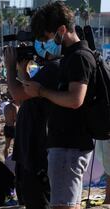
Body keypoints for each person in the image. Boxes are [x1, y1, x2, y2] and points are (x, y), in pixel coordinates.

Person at [23, 2, 96, 209]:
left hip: (69, 145)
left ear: (61, 30)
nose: (46, 44)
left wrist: (42, 92)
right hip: (67, 144)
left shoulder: (79, 58)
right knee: (67, 203)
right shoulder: (72, 57)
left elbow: (75, 99)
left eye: (47, 38)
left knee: (63, 205)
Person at [5, 33, 61, 209]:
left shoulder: (54, 68)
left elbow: (18, 94)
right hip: (31, 150)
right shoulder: (51, 69)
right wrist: (23, 70)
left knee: (37, 200)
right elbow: (29, 96)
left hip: (36, 151)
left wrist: (10, 67)